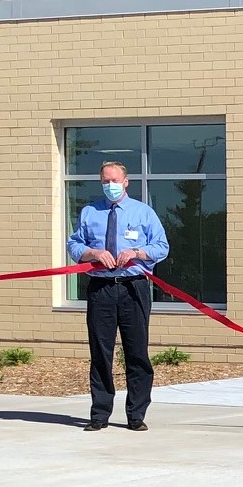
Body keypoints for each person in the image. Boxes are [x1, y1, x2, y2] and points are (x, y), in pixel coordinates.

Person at [67, 162, 168, 433]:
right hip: (101, 289)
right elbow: (74, 244)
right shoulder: (90, 212)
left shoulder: (143, 212)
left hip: (133, 287)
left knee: (137, 352)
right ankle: (99, 414)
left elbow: (161, 247)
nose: (109, 185)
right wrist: (93, 254)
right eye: (104, 181)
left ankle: (136, 414)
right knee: (101, 353)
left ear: (125, 182)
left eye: (114, 180)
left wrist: (138, 252)